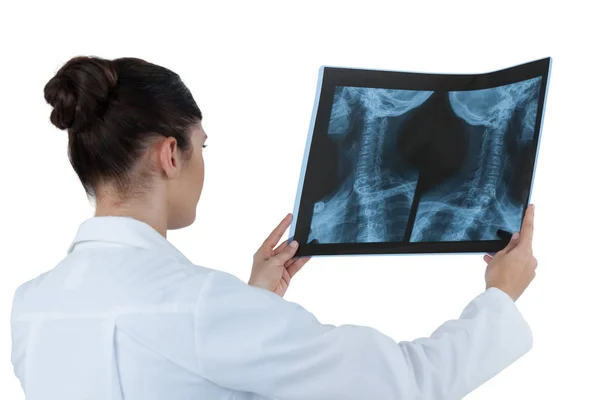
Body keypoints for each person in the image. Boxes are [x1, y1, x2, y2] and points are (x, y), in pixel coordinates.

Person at [10, 56, 538, 400]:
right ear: (170, 154)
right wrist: (500, 299)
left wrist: (255, 300)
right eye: (203, 147)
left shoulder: (31, 306)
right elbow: (404, 383)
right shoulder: (202, 308)